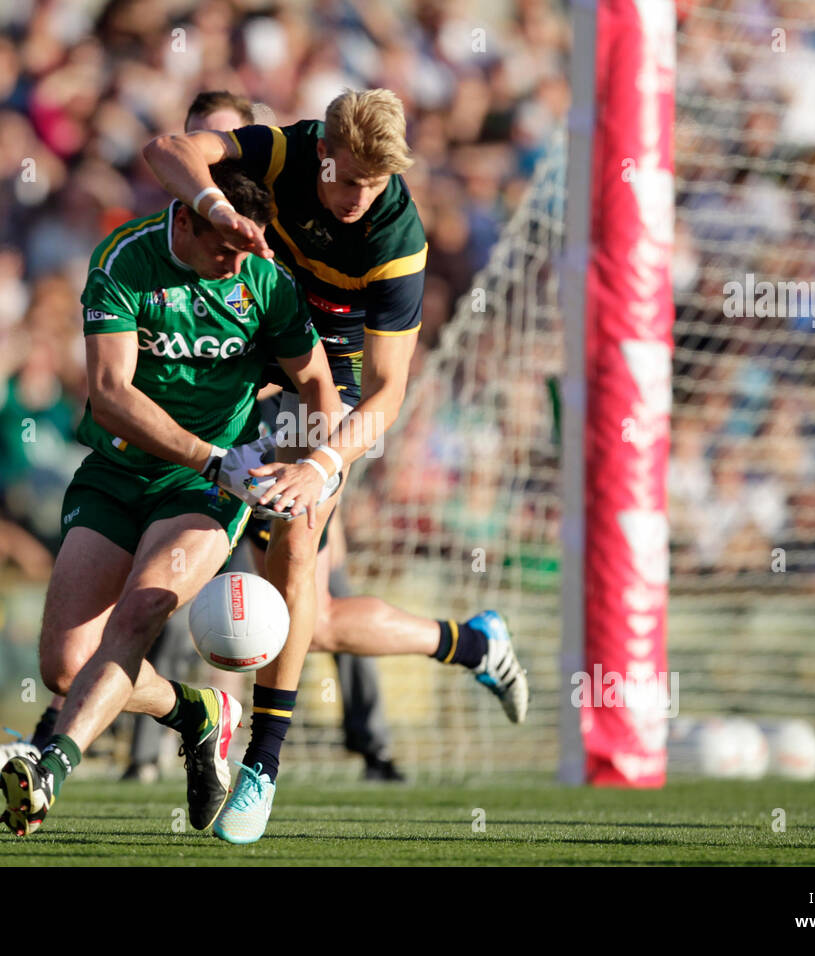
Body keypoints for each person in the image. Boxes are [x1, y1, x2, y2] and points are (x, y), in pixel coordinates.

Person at [140, 88, 529, 844]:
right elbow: (166, 150)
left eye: (373, 184)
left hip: (326, 395)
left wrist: (323, 461)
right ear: (325, 152)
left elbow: (388, 391)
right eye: (347, 179)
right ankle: (474, 643)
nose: (357, 198)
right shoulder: (287, 149)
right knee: (302, 624)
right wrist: (218, 208)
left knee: (293, 540)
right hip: (250, 365)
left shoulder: (395, 240)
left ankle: (263, 766)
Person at [0, 160, 343, 836]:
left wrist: (310, 467)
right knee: (66, 667)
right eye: (223, 250)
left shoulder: (264, 282)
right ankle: (198, 713)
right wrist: (212, 457)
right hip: (121, 472)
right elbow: (111, 394)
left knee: (141, 610)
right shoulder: (125, 259)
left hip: (204, 491)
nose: (233, 266)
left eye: (246, 251)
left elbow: (319, 386)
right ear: (184, 218)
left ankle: (50, 769)